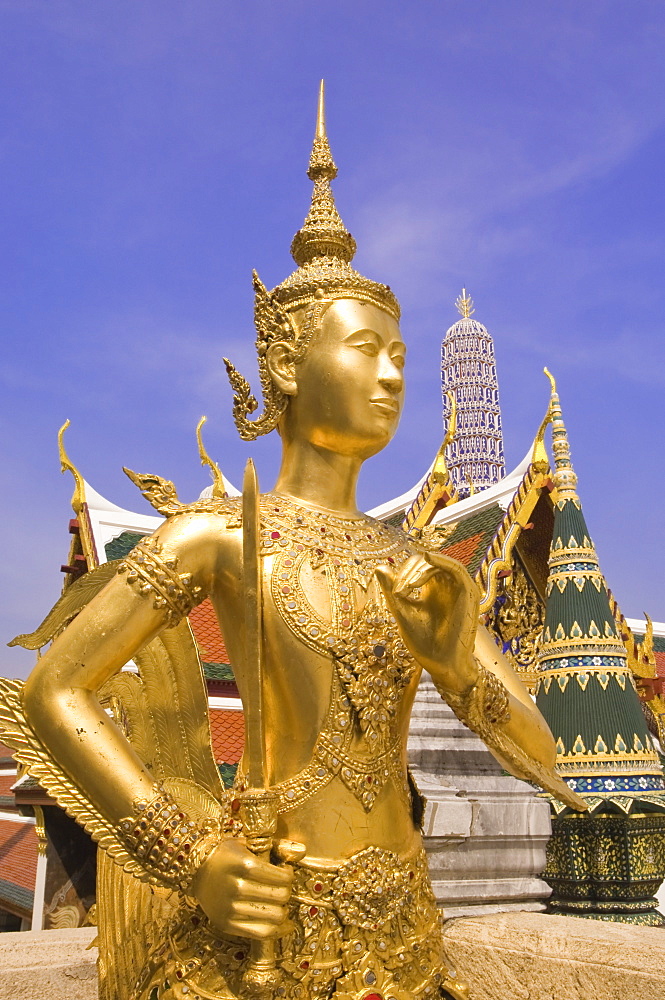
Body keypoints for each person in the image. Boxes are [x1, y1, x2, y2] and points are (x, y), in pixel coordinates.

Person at [1, 85, 582, 1000]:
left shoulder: (414, 564)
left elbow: (549, 761)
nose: (392, 373)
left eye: (400, 353)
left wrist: (456, 661)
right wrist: (188, 857)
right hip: (266, 928)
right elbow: (54, 689)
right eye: (363, 348)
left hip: (406, 931)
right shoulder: (219, 537)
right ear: (283, 364)